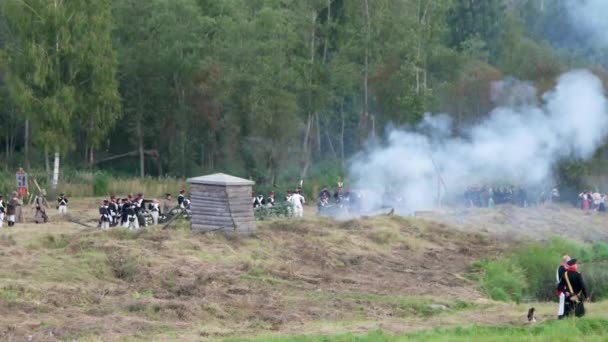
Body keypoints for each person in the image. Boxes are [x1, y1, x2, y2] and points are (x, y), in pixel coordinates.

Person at [556, 255, 571, 319]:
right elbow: (563, 280)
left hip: (563, 287)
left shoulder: (562, 267)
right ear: (565, 261)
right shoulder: (562, 268)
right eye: (569, 261)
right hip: (562, 288)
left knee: (566, 302)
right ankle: (560, 317)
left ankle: (566, 314)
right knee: (562, 302)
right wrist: (566, 290)